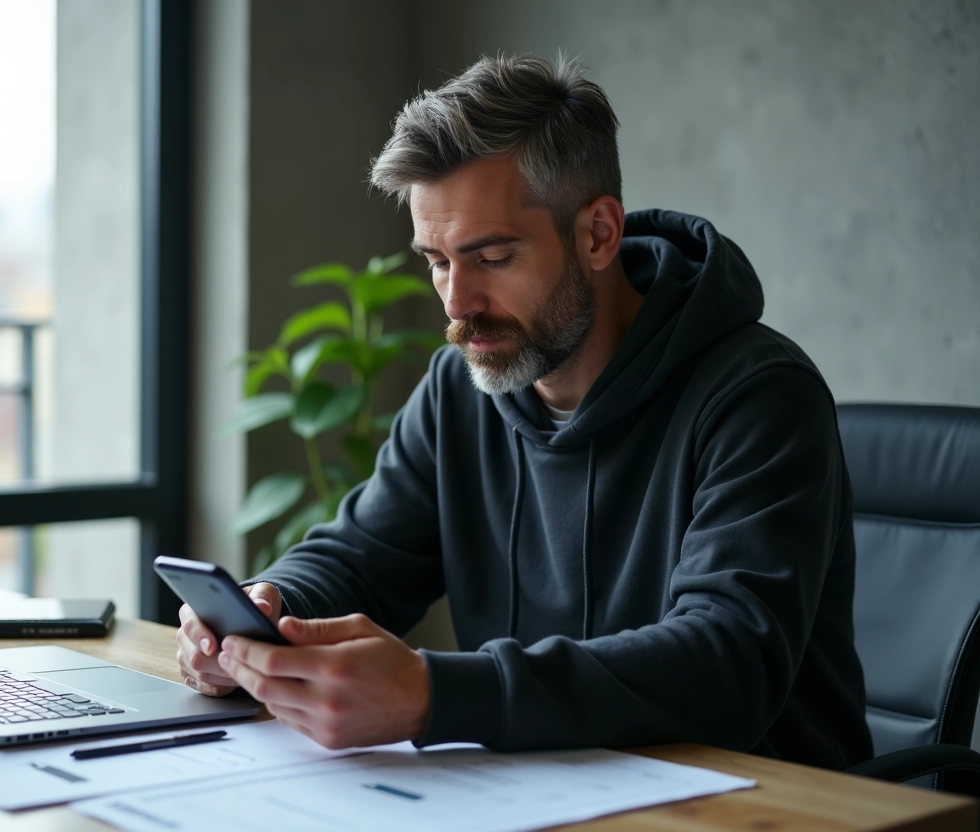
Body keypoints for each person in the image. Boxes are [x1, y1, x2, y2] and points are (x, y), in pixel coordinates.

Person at [176, 54, 873, 769]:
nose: (455, 304)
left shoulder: (759, 396)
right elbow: (361, 556)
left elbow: (727, 664)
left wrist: (432, 693)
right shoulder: (462, 387)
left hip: (763, 802)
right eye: (438, 260)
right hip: (547, 791)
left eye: (493, 257)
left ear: (598, 234)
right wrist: (268, 606)